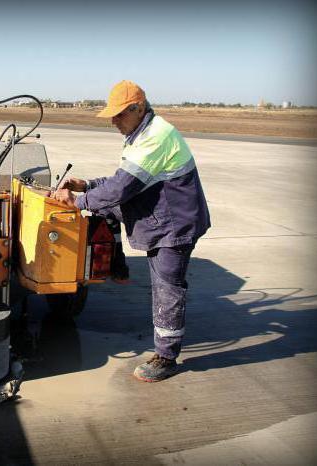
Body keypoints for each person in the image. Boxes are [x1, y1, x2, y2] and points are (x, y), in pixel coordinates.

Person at [52, 80, 210, 382]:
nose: (113, 121)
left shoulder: (155, 137)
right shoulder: (142, 133)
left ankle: (166, 357)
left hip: (174, 226)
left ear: (138, 109)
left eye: (119, 115)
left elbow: (123, 187)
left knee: (167, 288)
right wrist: (88, 186)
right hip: (158, 217)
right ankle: (119, 266)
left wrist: (77, 200)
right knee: (103, 207)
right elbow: (119, 181)